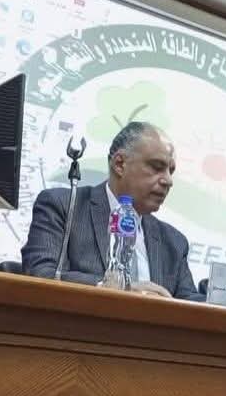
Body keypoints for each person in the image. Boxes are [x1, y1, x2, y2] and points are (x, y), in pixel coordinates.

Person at [21, 121, 199, 300]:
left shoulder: (174, 242)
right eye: (157, 167)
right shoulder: (65, 206)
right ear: (120, 164)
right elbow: (40, 273)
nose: (168, 180)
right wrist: (113, 288)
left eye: (170, 171)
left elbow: (193, 304)